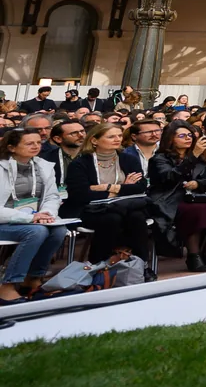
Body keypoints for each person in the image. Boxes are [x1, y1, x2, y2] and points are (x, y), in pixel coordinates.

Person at [67, 120, 153, 261]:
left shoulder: (128, 159)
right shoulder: (80, 163)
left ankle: (140, 264)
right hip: (92, 209)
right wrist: (124, 187)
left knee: (136, 217)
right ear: (94, 140)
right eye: (111, 137)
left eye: (119, 136)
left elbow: (140, 186)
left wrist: (108, 187)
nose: (117, 139)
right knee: (112, 218)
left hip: (125, 206)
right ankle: (99, 263)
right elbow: (81, 194)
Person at [147, 122, 206, 270]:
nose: (188, 138)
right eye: (182, 136)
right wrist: (193, 156)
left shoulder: (200, 159)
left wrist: (197, 184)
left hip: (196, 196)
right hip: (169, 199)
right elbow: (170, 177)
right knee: (194, 211)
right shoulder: (159, 159)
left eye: (190, 135)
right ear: (171, 139)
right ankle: (193, 256)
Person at [1, 126, 64, 301]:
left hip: (31, 218)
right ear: (12, 147)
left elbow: (52, 195)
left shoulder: (43, 166)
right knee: (37, 231)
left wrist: (46, 213)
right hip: (7, 220)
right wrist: (31, 218)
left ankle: (33, 278)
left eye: (38, 142)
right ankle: (8, 285)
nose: (36, 146)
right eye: (29, 143)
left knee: (59, 230)